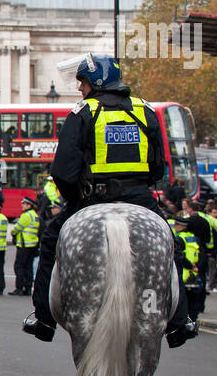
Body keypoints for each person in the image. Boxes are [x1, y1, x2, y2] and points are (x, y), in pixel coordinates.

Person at [22, 53, 196, 347]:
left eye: (83, 82)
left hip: (93, 198)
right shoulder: (145, 111)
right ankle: (180, 322)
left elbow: (63, 171)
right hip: (140, 198)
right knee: (172, 246)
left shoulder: (83, 113)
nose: (80, 88)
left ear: (96, 82)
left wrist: (76, 199)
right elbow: (157, 167)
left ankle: (42, 318)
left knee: (50, 242)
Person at [171, 213, 206, 323]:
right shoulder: (194, 238)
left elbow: (179, 256)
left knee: (183, 300)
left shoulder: (178, 239)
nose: (175, 228)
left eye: (176, 225)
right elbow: (201, 254)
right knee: (194, 301)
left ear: (180, 226)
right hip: (194, 274)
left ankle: (184, 322)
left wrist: (190, 266)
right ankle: (193, 321)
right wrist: (197, 267)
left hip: (183, 274)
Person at [9, 196, 40, 295]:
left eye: (24, 204)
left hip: (24, 244)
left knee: (20, 266)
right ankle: (27, 288)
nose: (22, 205)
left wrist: (13, 233)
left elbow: (17, 228)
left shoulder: (26, 215)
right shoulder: (34, 215)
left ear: (28, 205)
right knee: (28, 267)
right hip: (32, 244)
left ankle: (19, 288)